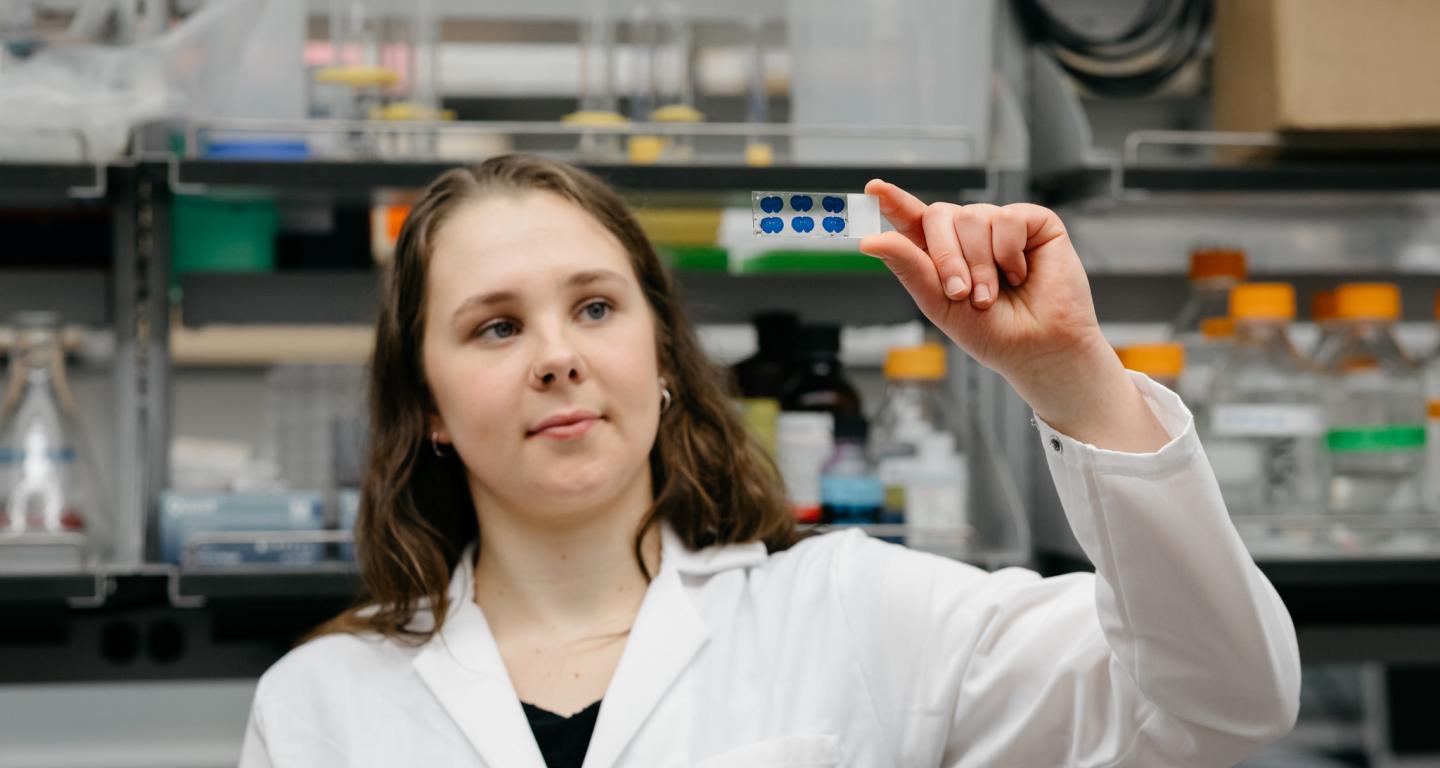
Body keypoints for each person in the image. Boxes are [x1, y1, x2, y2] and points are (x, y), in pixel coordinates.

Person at [239, 154, 1299, 768]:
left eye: (595, 307)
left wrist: (1076, 381)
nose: (559, 357)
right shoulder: (321, 705)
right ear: (425, 402)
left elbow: (1223, 704)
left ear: (659, 356)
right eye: (495, 328)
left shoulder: (853, 609)